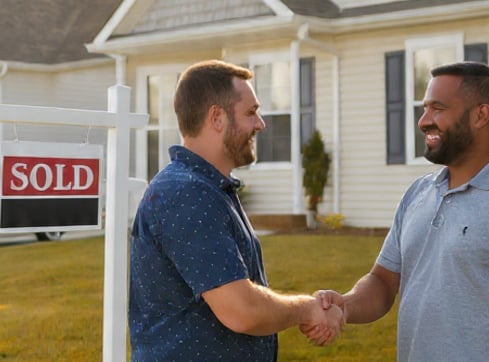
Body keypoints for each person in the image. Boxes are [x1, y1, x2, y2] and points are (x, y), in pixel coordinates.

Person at [312, 62, 489, 361]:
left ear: (481, 115)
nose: (423, 121)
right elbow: (384, 281)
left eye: (437, 108)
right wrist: (345, 304)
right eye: (424, 109)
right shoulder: (418, 194)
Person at [128, 60, 343, 361]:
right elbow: (241, 310)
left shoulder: (208, 188)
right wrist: (308, 310)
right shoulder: (186, 193)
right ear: (217, 117)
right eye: (251, 112)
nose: (261, 124)